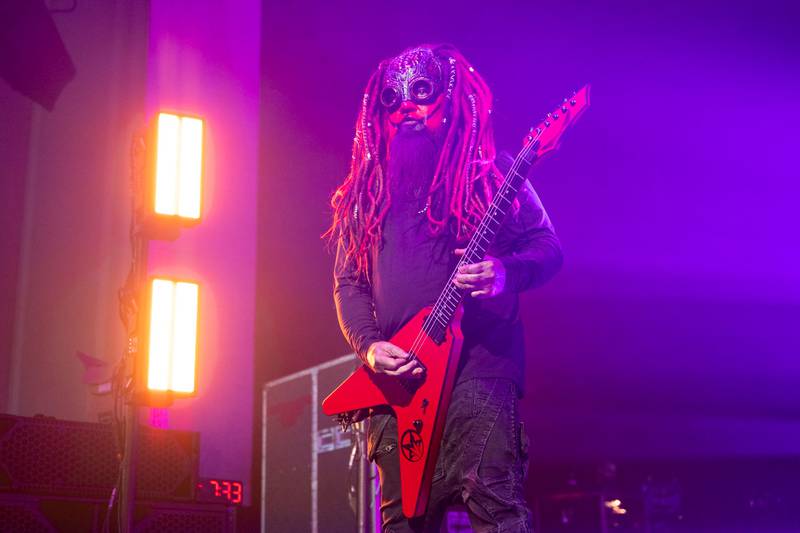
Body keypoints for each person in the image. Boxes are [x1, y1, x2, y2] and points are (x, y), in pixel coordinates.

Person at [328, 44, 562, 533]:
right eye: (392, 100)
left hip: (478, 370)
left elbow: (547, 248)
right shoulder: (365, 195)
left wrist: (504, 273)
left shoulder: (491, 175)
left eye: (422, 92)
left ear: (451, 98)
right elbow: (349, 284)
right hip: (401, 385)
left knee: (496, 508)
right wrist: (370, 349)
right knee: (400, 524)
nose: (405, 107)